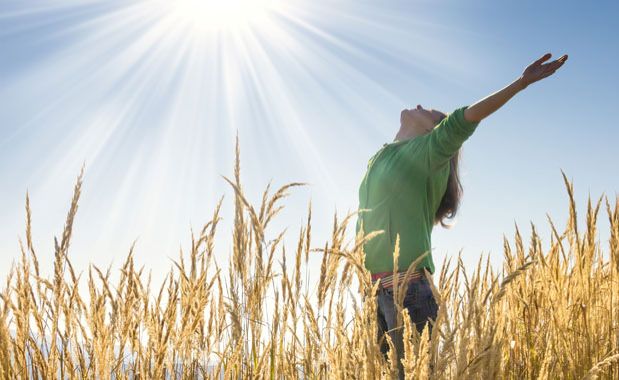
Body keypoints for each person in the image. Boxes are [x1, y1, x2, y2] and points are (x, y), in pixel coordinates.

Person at [356, 53, 568, 378]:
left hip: (408, 293)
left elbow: (465, 119)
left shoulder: (429, 153)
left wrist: (521, 83)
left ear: (432, 131)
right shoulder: (381, 156)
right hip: (378, 294)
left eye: (427, 111)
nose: (419, 105)